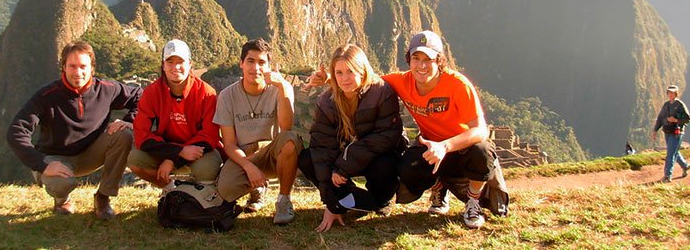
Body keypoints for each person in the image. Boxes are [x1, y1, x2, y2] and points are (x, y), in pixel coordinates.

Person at [308, 30, 502, 230]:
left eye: (429, 59)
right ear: (409, 60)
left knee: (482, 151)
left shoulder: (458, 85)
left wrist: (445, 146)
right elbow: (363, 79)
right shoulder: (401, 81)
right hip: (429, 146)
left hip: (461, 146)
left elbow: (480, 131)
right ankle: (438, 189)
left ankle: (473, 202)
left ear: (440, 61)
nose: (422, 66)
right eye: (416, 58)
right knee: (407, 168)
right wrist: (330, 77)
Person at [7, 41, 142, 220]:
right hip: (56, 159)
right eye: (72, 66)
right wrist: (43, 165)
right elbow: (16, 131)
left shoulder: (106, 90)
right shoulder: (47, 96)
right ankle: (62, 200)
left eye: (83, 66)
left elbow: (140, 96)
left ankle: (103, 198)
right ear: (63, 67)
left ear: (92, 68)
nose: (78, 72)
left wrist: (129, 121)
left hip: (90, 155)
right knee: (60, 184)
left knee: (124, 135)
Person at [298, 44, 406, 232]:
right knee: (307, 159)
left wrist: (342, 168)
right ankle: (347, 198)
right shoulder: (327, 102)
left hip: (376, 155)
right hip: (345, 157)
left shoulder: (381, 92)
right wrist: (331, 201)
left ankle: (379, 200)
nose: (345, 78)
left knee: (385, 163)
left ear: (362, 69)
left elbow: (386, 136)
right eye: (339, 73)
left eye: (350, 71)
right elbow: (322, 148)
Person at [212, 38, 302, 225]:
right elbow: (229, 144)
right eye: (250, 61)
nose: (256, 68)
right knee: (226, 189)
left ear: (270, 66)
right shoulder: (227, 96)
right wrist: (248, 166)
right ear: (241, 64)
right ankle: (257, 191)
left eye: (262, 62)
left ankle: (284, 200)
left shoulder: (281, 89)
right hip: (245, 154)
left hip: (272, 152)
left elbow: (286, 129)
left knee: (290, 140)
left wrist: (283, 87)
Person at [128, 39, 222, 194]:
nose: (175, 67)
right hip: (165, 148)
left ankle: (198, 197)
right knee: (135, 159)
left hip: (197, 150)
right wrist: (177, 152)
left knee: (208, 167)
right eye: (170, 62)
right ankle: (169, 189)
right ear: (163, 65)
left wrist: (173, 158)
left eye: (181, 62)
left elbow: (210, 135)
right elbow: (142, 135)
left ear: (190, 64)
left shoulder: (206, 93)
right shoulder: (152, 93)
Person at [652, 84, 690, 182]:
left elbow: (687, 119)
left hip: (676, 133)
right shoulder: (666, 105)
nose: (670, 94)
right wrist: (655, 130)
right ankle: (685, 166)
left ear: (676, 93)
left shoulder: (680, 105)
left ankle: (667, 176)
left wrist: (676, 120)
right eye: (669, 92)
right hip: (667, 132)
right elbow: (661, 118)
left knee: (670, 154)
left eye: (672, 92)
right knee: (674, 152)